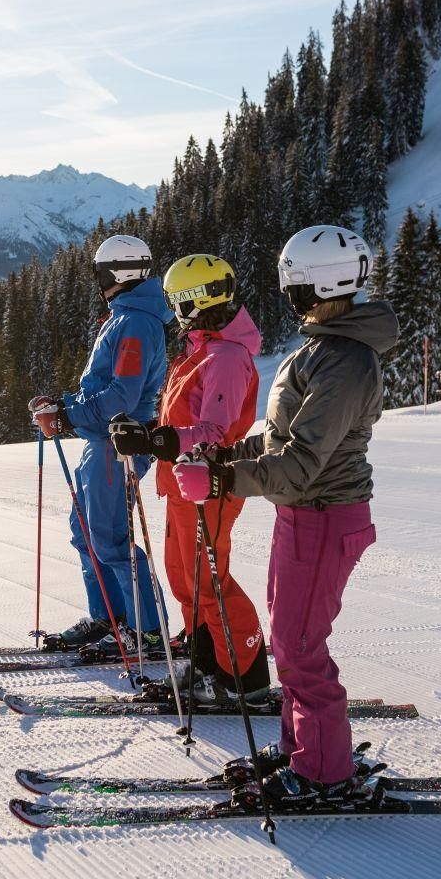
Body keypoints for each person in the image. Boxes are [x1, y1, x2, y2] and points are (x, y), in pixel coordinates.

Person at [173, 225, 398, 809]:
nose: (290, 299)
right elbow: (276, 442)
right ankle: (304, 749)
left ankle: (325, 773)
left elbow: (299, 463)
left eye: (295, 288)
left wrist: (220, 479)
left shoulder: (344, 361)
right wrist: (222, 456)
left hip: (324, 513)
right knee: (290, 639)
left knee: (301, 647)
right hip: (303, 514)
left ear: (321, 285)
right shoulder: (324, 347)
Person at [108, 253, 268, 706]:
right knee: (184, 578)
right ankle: (206, 662)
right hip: (180, 483)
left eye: (180, 302)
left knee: (209, 582)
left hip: (209, 484)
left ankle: (245, 676)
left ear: (197, 301)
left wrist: (152, 441)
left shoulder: (227, 357)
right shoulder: (201, 350)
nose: (176, 312)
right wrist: (147, 439)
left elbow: (213, 434)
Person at [29, 234, 172, 657]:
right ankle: (109, 616)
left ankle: (146, 631)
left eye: (98, 272)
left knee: (110, 539)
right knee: (84, 534)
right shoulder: (124, 316)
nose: (94, 279)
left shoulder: (137, 323)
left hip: (119, 447)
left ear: (115, 274)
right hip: (100, 444)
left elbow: (122, 398)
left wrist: (69, 416)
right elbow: (102, 388)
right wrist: (65, 405)